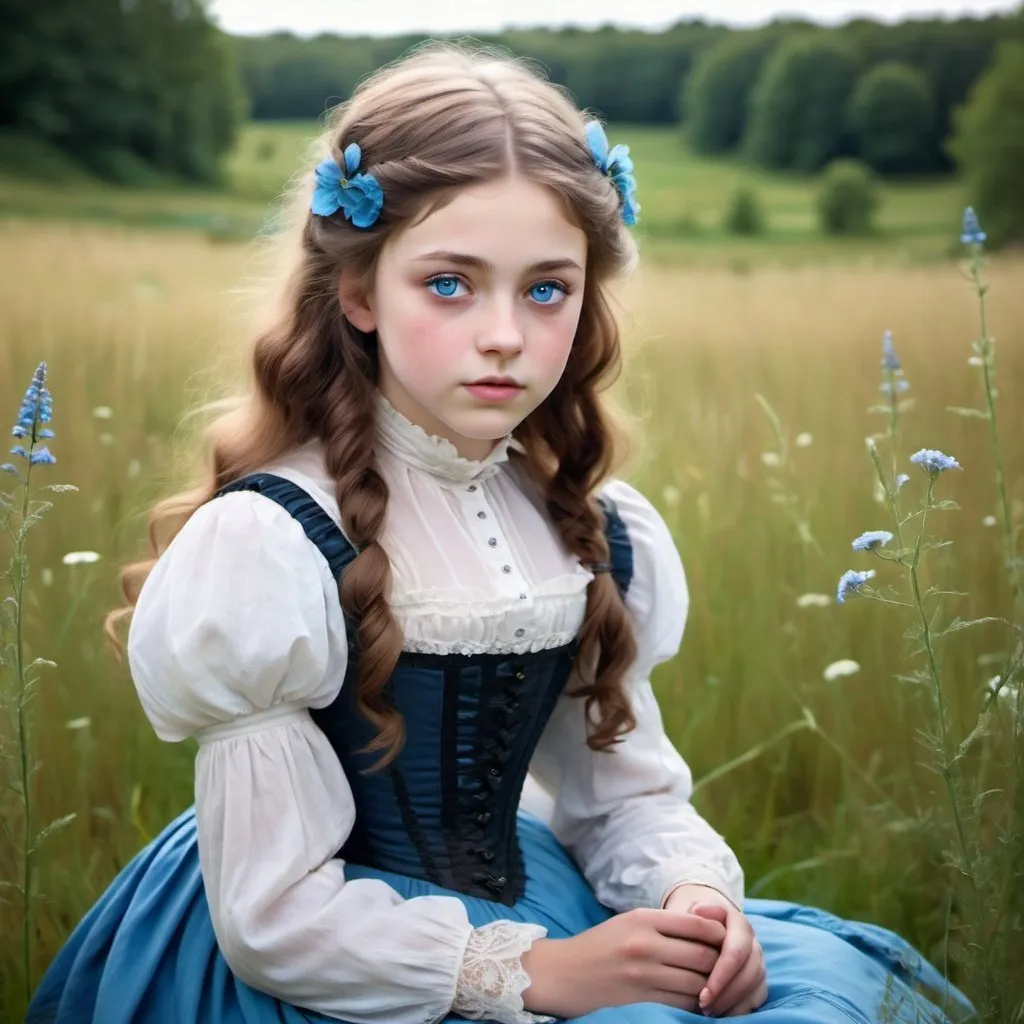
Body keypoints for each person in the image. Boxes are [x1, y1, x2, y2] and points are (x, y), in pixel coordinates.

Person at [28, 42, 971, 1024]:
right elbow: (272, 919)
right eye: (448, 283)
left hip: (540, 905)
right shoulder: (270, 543)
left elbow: (621, 795)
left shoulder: (589, 528)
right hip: (336, 958)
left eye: (546, 288)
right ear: (357, 293)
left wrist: (688, 899)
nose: (505, 335)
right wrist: (527, 974)